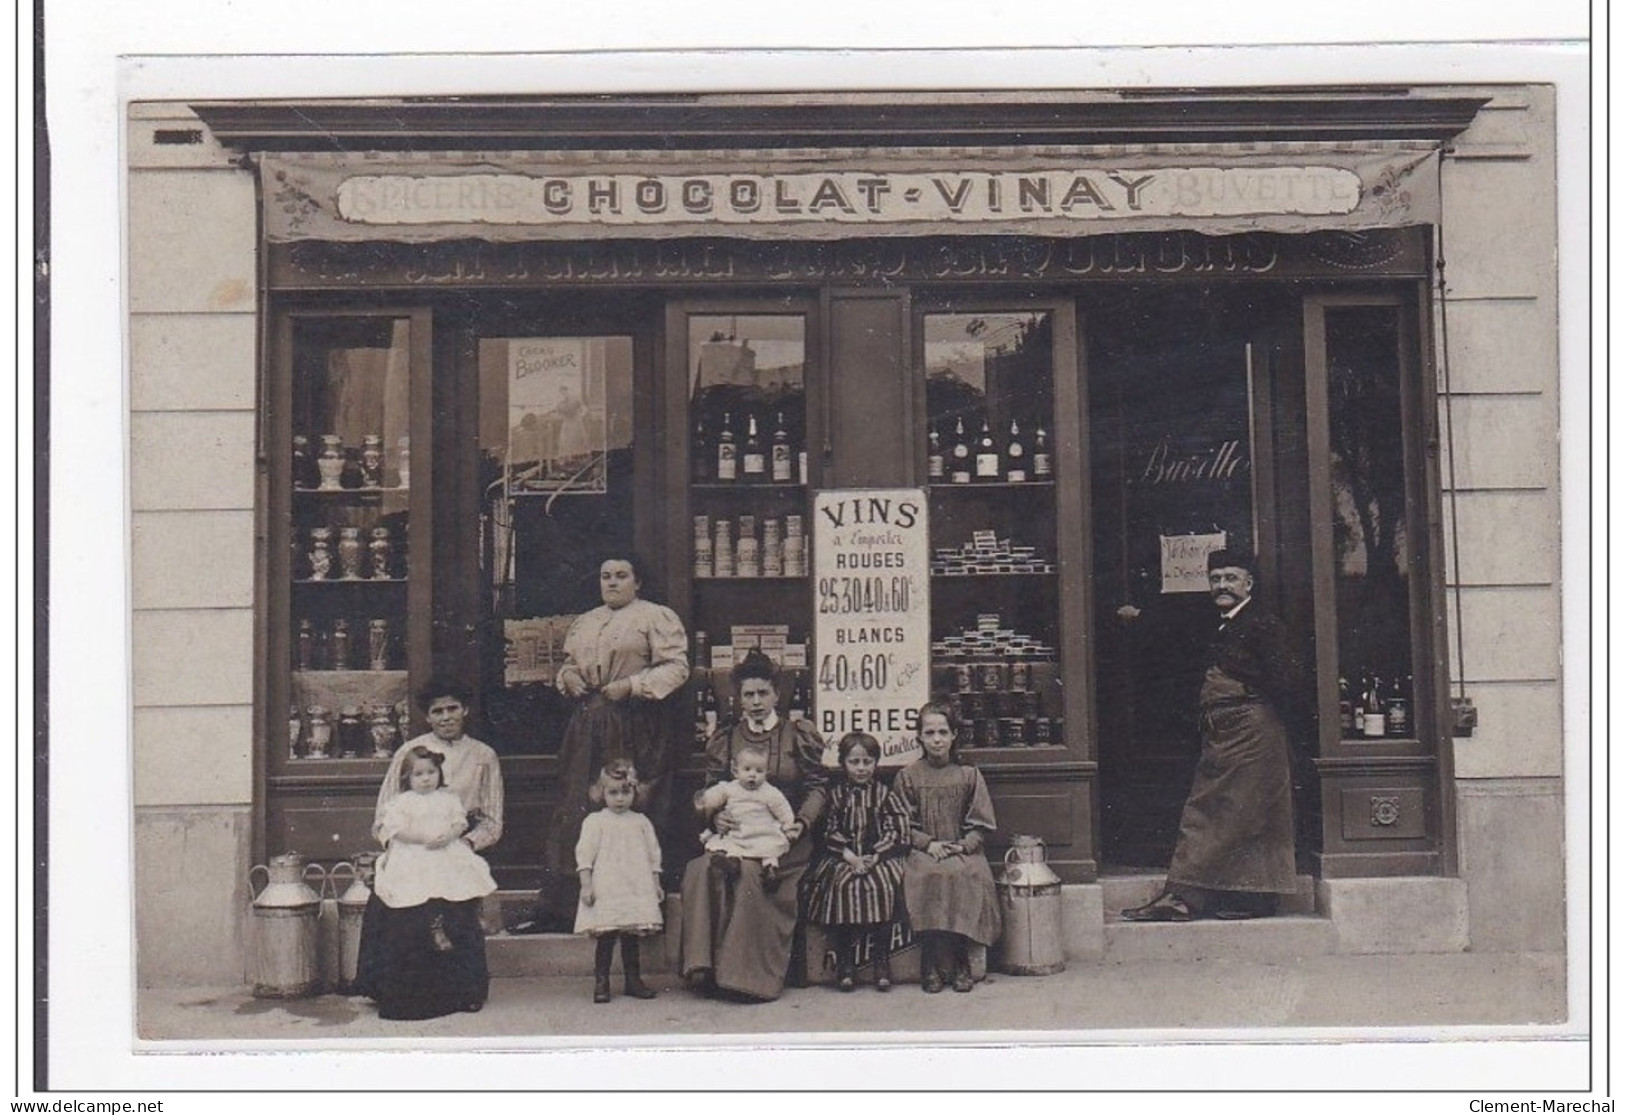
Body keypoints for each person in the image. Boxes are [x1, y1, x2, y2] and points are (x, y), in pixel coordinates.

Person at [1121, 548, 1309, 922]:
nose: (1222, 585)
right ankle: (1249, 900)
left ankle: (1184, 897)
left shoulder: (1262, 623)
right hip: (1230, 730)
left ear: (1248, 583)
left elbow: (1288, 681)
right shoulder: (1224, 621)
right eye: (1216, 578)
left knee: (1216, 811)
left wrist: (1246, 703)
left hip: (1249, 731)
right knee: (1239, 812)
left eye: (1231, 578)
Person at [538, 555, 689, 927]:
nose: (612, 583)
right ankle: (570, 905)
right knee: (579, 803)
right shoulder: (587, 621)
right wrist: (569, 677)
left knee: (632, 803)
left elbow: (676, 667)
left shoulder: (655, 616)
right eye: (606, 576)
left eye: (622, 576)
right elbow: (569, 663)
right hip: (589, 721)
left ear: (638, 582)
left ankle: (637, 908)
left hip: (636, 721)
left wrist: (632, 685)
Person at [678, 650, 828, 1002]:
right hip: (736, 836)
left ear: (777, 694)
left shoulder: (797, 734)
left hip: (784, 840)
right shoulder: (728, 738)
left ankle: (745, 978)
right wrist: (715, 816)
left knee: (749, 874)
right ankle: (704, 967)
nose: (756, 702)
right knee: (699, 869)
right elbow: (710, 789)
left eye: (763, 693)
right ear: (738, 698)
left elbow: (818, 787)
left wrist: (802, 824)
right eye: (749, 694)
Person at [356, 677, 504, 1019]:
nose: (446, 717)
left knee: (456, 911)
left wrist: (461, 844)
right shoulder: (410, 753)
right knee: (400, 906)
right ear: (428, 717)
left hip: (456, 843)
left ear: (465, 710)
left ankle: (463, 992)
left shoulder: (483, 756)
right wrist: (409, 844)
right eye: (438, 711)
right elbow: (384, 815)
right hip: (412, 847)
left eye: (453, 708)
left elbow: (493, 821)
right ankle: (397, 990)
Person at [893, 701, 1002, 994]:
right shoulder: (908, 776)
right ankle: (929, 959)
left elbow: (979, 822)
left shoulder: (968, 775)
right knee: (929, 876)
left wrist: (964, 844)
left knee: (965, 876)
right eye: (929, 733)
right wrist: (928, 843)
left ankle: (960, 957)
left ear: (954, 735)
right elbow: (901, 823)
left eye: (943, 732)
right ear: (919, 737)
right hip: (925, 850)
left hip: (961, 848)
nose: (937, 739)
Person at [802, 732, 910, 992]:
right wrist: (849, 856)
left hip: (878, 857)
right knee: (843, 885)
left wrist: (875, 856)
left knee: (883, 885)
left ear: (876, 763)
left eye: (867, 762)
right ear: (843, 763)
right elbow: (829, 831)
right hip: (844, 857)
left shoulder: (885, 794)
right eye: (854, 762)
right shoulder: (836, 796)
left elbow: (895, 829)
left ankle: (881, 960)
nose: (861, 768)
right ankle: (846, 962)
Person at [574, 759, 665, 1004]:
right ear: (601, 793)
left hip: (635, 886)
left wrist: (655, 882)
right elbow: (585, 855)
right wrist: (586, 884)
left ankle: (633, 980)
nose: (620, 798)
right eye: (613, 792)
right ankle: (601, 981)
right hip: (608, 887)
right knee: (606, 936)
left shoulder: (641, 822)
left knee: (630, 936)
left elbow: (653, 853)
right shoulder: (596, 822)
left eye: (626, 791)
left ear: (635, 792)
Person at [696, 743, 797, 885]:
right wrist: (707, 801)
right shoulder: (730, 788)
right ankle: (733, 863)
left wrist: (788, 826)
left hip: (762, 831)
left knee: (769, 848)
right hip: (738, 830)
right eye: (747, 769)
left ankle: (771, 870)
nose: (752, 775)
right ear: (736, 771)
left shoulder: (769, 792)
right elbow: (714, 795)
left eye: (759, 771)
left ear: (766, 773)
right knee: (732, 845)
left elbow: (783, 809)